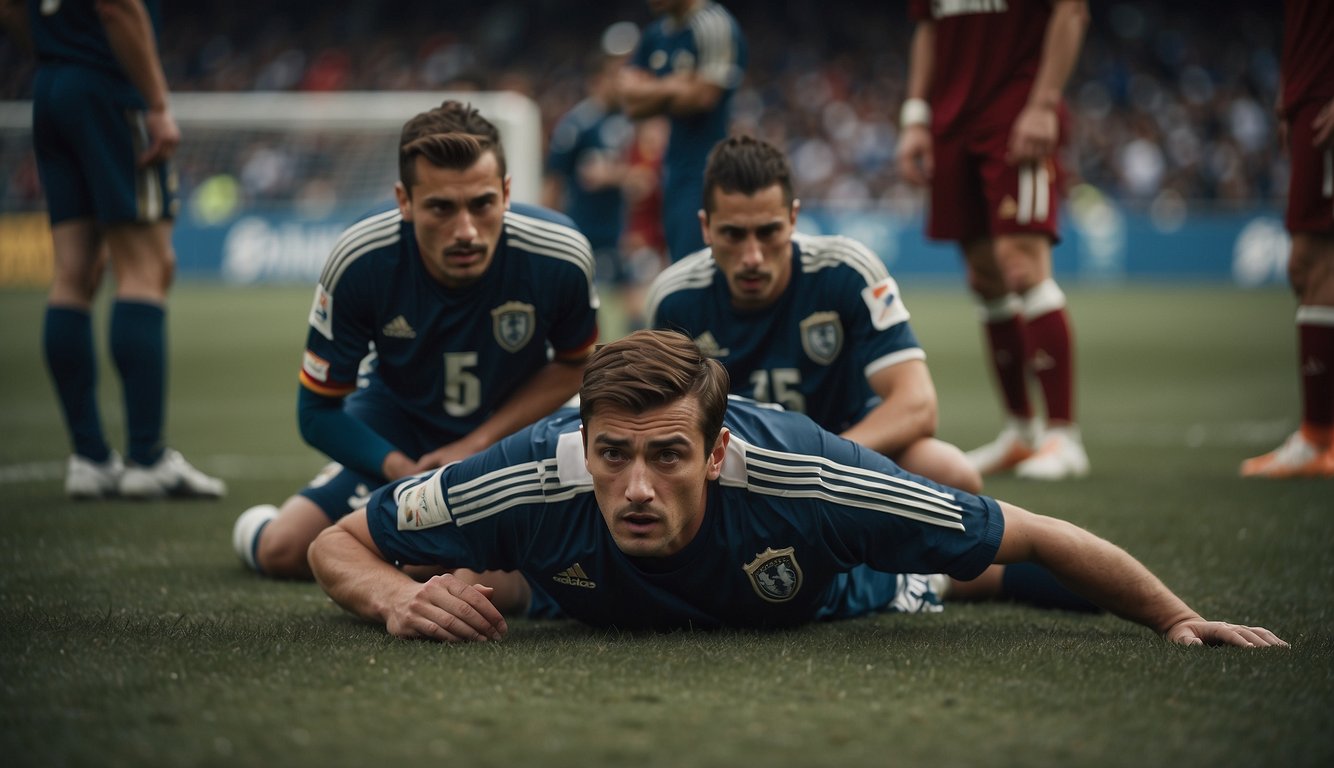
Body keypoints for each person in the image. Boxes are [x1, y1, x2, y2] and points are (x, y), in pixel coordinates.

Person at [307, 330, 1285, 649]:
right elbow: (335, 543)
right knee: (499, 579)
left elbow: (1026, 533)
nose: (636, 485)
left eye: (667, 457)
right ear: (583, 445)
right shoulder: (528, 472)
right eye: (612, 456)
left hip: (815, 592)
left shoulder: (808, 477)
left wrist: (1173, 620)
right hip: (581, 586)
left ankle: (912, 579)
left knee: (965, 559)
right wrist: (399, 596)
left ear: (719, 451)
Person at [231, 100, 600, 579]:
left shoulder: (560, 253)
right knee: (284, 549)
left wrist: (477, 443)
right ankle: (258, 528)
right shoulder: (362, 259)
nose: (465, 230)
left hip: (511, 431)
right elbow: (316, 413)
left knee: (511, 561)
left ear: (506, 193)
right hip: (401, 425)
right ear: (404, 201)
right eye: (441, 208)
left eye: (482, 204)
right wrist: (401, 470)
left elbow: (576, 365)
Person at [647, 135, 981, 493]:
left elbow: (916, 405)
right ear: (706, 228)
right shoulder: (675, 298)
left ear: (793, 218)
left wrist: (820, 465)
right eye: (733, 234)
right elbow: (662, 422)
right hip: (734, 469)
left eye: (768, 231)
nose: (753, 256)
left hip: (844, 456)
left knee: (952, 473)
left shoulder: (847, 271)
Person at [0, 0, 224, 499]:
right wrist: (158, 104)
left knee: (73, 272)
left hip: (51, 88)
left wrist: (58, 51)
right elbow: (117, 6)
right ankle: (147, 457)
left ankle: (89, 457)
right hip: (109, 87)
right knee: (148, 266)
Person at [896, 0, 1091, 481]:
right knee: (985, 276)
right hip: (951, 119)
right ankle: (1021, 432)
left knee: (1021, 264)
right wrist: (916, 117)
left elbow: (1071, 11)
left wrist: (1044, 103)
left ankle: (1064, 437)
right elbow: (927, 26)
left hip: (1015, 108)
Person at [1240, 0, 1334, 478]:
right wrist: (1290, 98)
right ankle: (1320, 435)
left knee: (1317, 262)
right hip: (1308, 96)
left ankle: (1320, 438)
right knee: (1307, 265)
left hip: (1324, 95)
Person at [619, 0, 746, 262]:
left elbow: (703, 97)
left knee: (695, 266)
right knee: (678, 264)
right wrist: (675, 84)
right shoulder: (656, 33)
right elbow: (630, 103)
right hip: (673, 170)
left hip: (708, 171)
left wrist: (652, 90)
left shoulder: (713, 25)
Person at [543, 52, 634, 299]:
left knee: (628, 300)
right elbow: (554, 179)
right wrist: (551, 230)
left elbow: (645, 175)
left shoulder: (627, 120)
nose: (623, 82)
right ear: (598, 80)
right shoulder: (577, 124)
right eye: (616, 75)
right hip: (584, 228)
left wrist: (614, 176)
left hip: (619, 230)